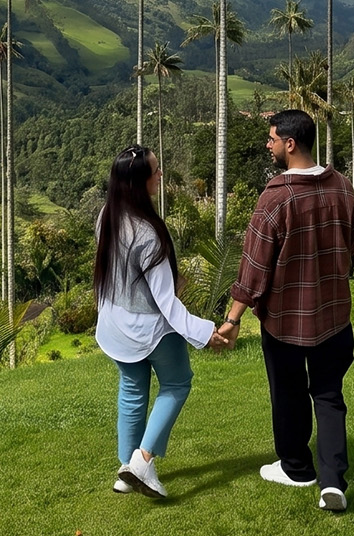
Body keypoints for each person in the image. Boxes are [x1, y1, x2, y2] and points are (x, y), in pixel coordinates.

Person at [215, 109, 354, 513]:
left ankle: (298, 468)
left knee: (289, 393)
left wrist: (232, 320)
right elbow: (351, 250)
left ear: (290, 144)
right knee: (329, 395)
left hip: (284, 323)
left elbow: (254, 267)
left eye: (272, 139)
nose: (268, 144)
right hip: (334, 317)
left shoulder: (276, 197)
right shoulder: (343, 189)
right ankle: (333, 482)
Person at [93, 144, 225, 498]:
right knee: (177, 385)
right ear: (140, 182)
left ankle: (126, 471)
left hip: (115, 325)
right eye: (156, 170)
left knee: (132, 391)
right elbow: (166, 303)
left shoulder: (107, 215)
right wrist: (205, 332)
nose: (161, 174)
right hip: (150, 329)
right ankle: (142, 461)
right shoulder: (148, 234)